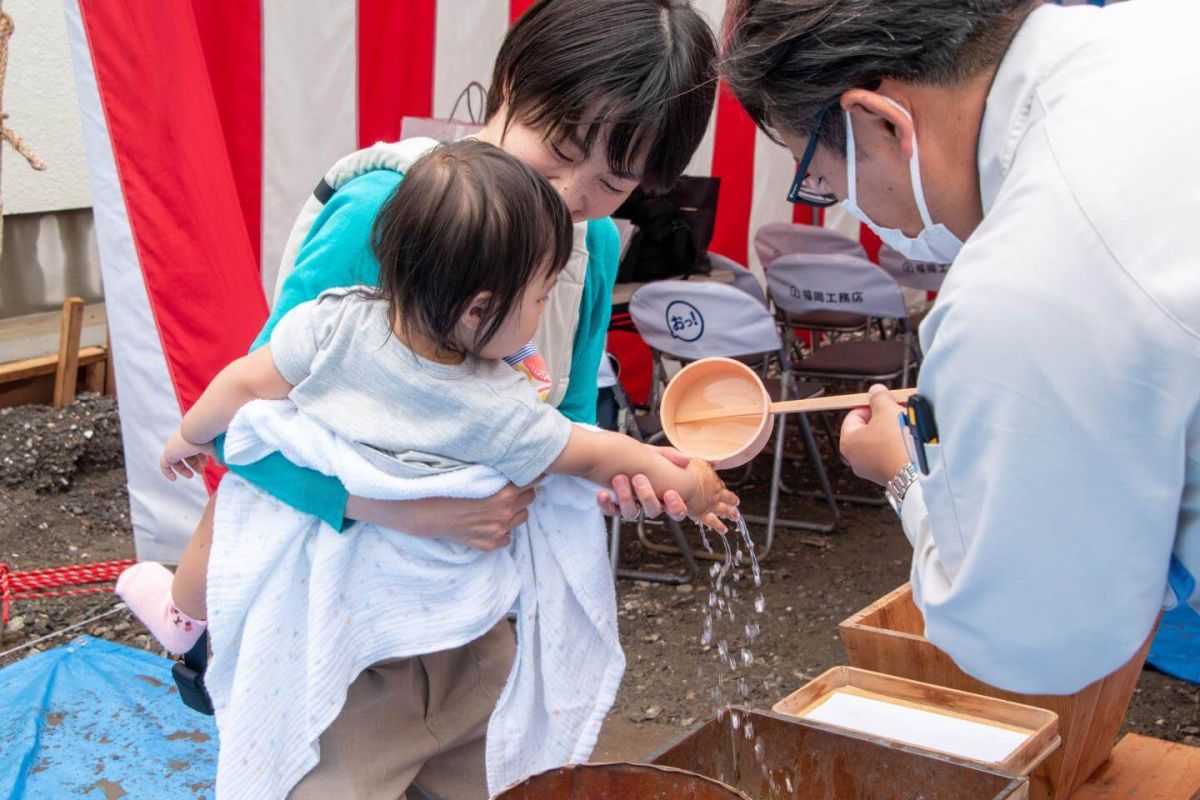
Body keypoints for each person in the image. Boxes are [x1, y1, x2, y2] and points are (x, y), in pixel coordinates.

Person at [722, 0, 1200, 693]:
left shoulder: (1029, 280)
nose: (843, 204)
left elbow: (1036, 637)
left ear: (879, 121)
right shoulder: (1159, 30)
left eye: (820, 180)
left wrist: (904, 478)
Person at [122, 141, 736, 655]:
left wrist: (191, 436)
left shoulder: (330, 324)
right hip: (408, 609)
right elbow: (602, 453)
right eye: (542, 297)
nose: (547, 308)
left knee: (246, 490)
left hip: (295, 546)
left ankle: (183, 615)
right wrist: (695, 483)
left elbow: (242, 385)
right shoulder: (499, 410)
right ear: (480, 309)